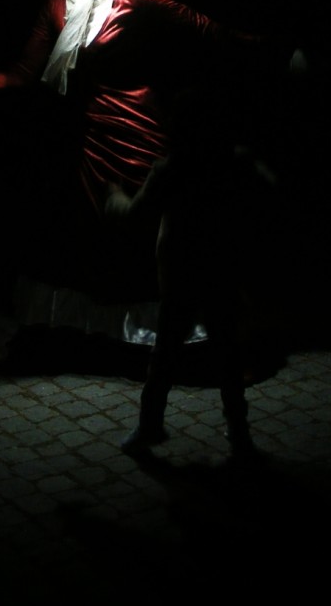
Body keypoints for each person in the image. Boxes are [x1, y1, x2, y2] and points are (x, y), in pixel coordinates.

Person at [0, 0, 300, 349]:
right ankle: (110, 342)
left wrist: (276, 52)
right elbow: (26, 71)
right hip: (88, 139)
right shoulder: (57, 2)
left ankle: (169, 338)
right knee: (95, 235)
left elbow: (204, 30)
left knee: (147, 232)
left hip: (139, 130)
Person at [105, 80, 280, 459]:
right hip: (223, 272)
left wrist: (114, 197)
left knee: (164, 357)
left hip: (180, 276)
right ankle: (240, 436)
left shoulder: (171, 169)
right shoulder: (235, 164)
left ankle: (150, 427)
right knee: (228, 356)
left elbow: (135, 214)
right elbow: (270, 192)